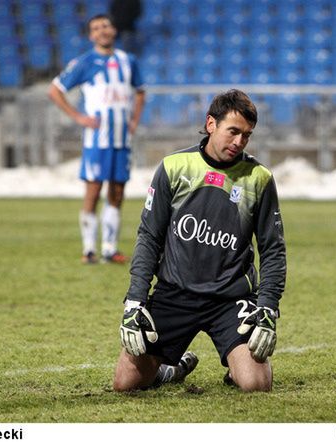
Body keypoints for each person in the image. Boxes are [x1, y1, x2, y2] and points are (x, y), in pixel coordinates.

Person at [113, 89, 287, 392]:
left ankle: (236, 369)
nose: (239, 142)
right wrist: (135, 300)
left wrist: (268, 307)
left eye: (246, 135)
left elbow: (273, 250)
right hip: (174, 293)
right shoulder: (173, 168)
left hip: (230, 300)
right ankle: (171, 369)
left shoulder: (259, 178)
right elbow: (149, 237)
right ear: (211, 124)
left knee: (256, 384)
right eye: (233, 131)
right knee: (125, 384)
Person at [48, 14, 146, 264]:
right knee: (93, 191)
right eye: (96, 28)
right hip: (96, 141)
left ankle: (110, 249)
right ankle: (89, 249)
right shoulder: (85, 62)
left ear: (113, 30)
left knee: (117, 192)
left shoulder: (128, 61)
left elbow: (140, 92)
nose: (102, 31)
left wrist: (134, 120)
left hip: (121, 140)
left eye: (106, 26)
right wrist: (78, 117)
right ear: (91, 36)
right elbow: (55, 90)